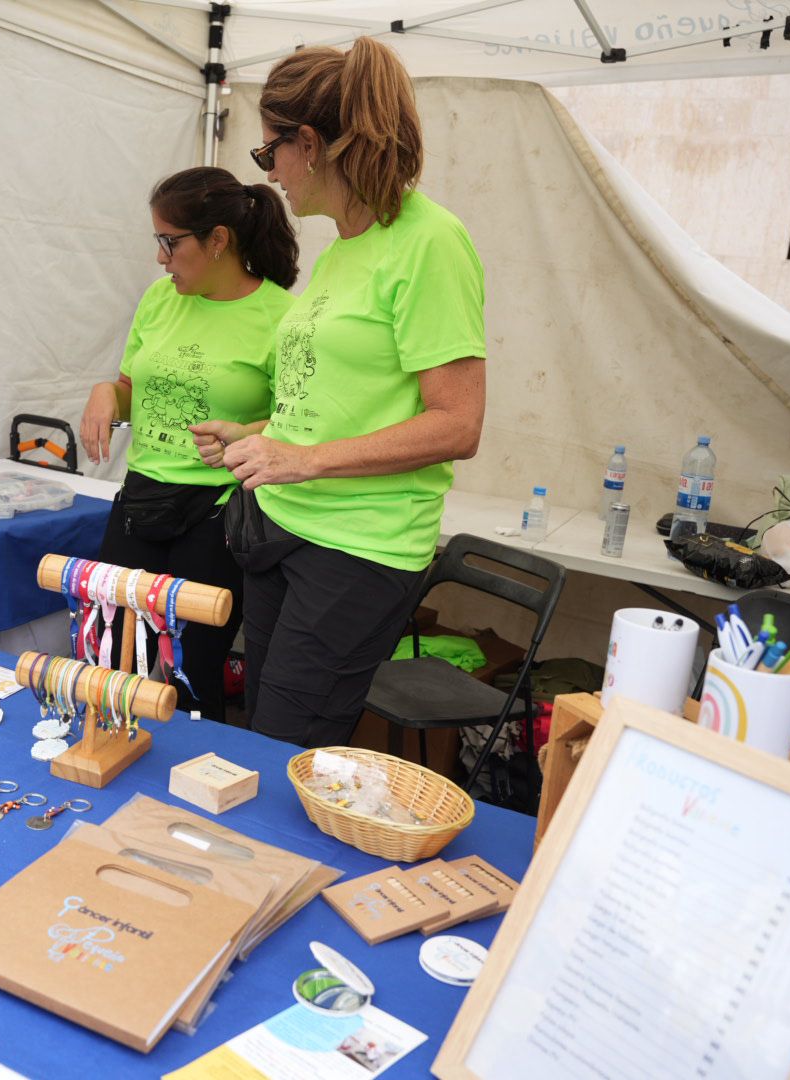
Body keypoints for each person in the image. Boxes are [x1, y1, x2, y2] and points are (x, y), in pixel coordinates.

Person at [190, 38, 487, 749]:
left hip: (358, 549)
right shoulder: (345, 247)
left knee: (287, 747)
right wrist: (259, 433)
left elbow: (458, 424)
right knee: (257, 730)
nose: (268, 172)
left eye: (268, 154)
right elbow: (333, 402)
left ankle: (280, 864)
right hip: (283, 528)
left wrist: (304, 460)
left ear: (312, 145)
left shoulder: (430, 243)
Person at [79, 167, 298, 724]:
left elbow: (300, 425)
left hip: (218, 518)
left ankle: (192, 794)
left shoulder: (283, 317)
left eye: (169, 242)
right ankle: (107, 771)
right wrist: (107, 393)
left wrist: (247, 435)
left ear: (218, 240)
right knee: (110, 661)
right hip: (141, 502)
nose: (160, 258)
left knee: (192, 677)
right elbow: (132, 389)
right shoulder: (159, 299)